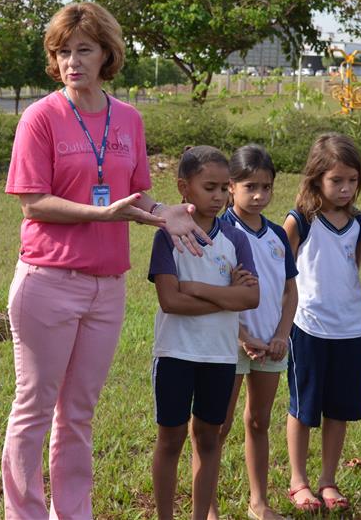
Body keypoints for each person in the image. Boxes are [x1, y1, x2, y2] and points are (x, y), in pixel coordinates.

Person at [1, 1, 207, 519]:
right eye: (62, 52)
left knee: (78, 414)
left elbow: (137, 195)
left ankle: (73, 513)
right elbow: (32, 202)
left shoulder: (129, 119)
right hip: (48, 280)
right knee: (33, 409)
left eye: (84, 50)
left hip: (107, 287)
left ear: (107, 55)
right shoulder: (40, 117)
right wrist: (102, 214)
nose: (72, 61)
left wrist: (164, 213)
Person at [148, 145, 260, 520]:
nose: (219, 196)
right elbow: (170, 301)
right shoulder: (167, 236)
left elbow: (251, 297)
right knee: (171, 440)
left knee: (209, 439)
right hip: (175, 354)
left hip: (219, 356)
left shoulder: (236, 239)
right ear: (184, 187)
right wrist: (226, 297)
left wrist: (196, 289)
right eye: (209, 187)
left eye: (224, 188)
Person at [282, 133, 361, 514]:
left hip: (351, 328)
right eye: (336, 180)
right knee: (304, 408)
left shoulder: (360, 223)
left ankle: (328, 479)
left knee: (339, 409)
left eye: (352, 180)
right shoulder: (300, 220)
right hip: (308, 326)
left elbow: (359, 268)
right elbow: (281, 275)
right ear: (316, 178)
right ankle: (298, 480)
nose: (345, 188)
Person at [210, 144, 298, 520]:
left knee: (259, 421)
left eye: (267, 186)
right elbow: (216, 293)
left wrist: (281, 334)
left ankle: (259, 502)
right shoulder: (220, 232)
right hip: (229, 342)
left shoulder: (277, 234)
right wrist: (243, 336)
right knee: (218, 425)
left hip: (271, 344)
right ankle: (208, 505)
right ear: (231, 186)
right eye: (250, 187)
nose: (260, 195)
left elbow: (290, 290)